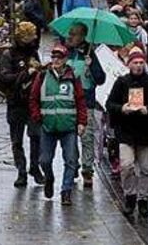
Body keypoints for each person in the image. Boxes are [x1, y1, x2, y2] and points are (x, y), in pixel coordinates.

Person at [106, 47, 148, 217]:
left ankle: (143, 200)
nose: (138, 66)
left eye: (141, 63)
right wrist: (122, 108)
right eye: (135, 63)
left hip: (145, 131)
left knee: (146, 168)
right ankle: (130, 196)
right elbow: (110, 104)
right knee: (126, 165)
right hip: (126, 130)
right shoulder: (122, 82)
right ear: (129, 64)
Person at [29, 44, 87, 205]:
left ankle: (66, 191)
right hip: (48, 126)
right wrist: (37, 116)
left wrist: (82, 122)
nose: (55, 60)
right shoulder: (42, 76)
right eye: (53, 57)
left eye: (59, 57)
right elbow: (33, 98)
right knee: (45, 160)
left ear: (65, 59)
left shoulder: (73, 77)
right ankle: (49, 178)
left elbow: (81, 101)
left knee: (71, 160)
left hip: (68, 127)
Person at [0, 22, 44, 187]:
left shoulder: (33, 52)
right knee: (17, 140)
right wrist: (25, 74)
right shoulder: (9, 55)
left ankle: (34, 166)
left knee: (35, 135)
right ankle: (21, 171)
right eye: (30, 35)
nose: (33, 38)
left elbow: (39, 73)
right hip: (16, 102)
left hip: (32, 102)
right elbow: (4, 78)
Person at [65, 23, 106, 188]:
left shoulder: (91, 54)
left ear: (82, 36)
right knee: (69, 137)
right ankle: (72, 165)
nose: (70, 37)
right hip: (68, 101)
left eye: (73, 34)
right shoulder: (68, 53)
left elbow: (100, 78)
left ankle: (87, 169)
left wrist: (92, 65)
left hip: (86, 101)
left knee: (87, 137)